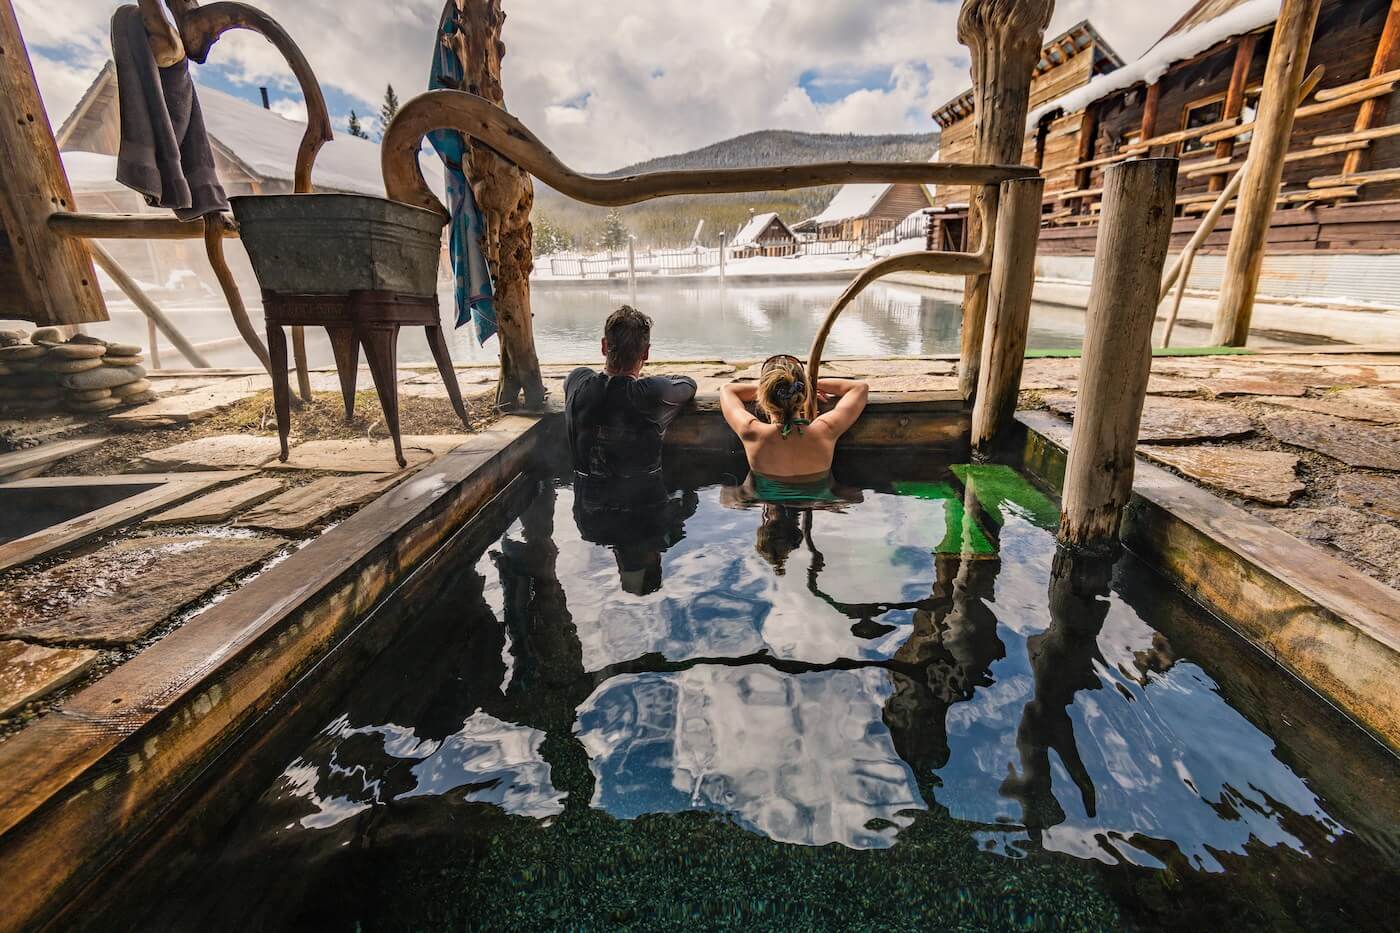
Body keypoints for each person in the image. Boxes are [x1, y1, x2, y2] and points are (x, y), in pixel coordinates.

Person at [564, 305, 698, 508]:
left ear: (603, 346)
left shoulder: (577, 382)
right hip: (645, 520)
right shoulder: (652, 393)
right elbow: (689, 384)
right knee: (690, 504)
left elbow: (584, 378)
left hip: (589, 519)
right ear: (646, 353)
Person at [720, 354, 869, 504]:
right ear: (802, 394)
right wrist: (809, 386)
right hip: (819, 497)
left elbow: (728, 390)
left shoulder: (751, 431)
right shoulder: (826, 430)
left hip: (764, 497)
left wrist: (771, 388)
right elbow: (860, 388)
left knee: (726, 498)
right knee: (855, 496)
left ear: (763, 397)